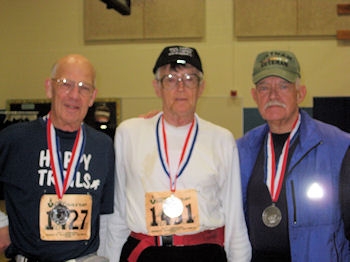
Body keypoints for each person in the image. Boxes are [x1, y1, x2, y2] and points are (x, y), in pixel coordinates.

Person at [98, 46, 251, 262]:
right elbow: (118, 213)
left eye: (189, 78)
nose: (181, 87)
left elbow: (235, 220)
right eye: (170, 79)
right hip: (145, 252)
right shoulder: (129, 133)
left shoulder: (221, 139)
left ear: (201, 87)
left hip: (204, 253)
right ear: (156, 87)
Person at [237, 50, 350, 261]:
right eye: (264, 88)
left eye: (283, 86)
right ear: (254, 96)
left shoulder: (339, 146)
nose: (273, 96)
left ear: (300, 93)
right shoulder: (241, 149)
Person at [0, 54, 115, 261]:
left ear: (92, 97)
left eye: (84, 87)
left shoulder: (103, 145)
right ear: (49, 87)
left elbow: (106, 216)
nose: (74, 95)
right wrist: (1, 223)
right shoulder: (14, 139)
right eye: (66, 84)